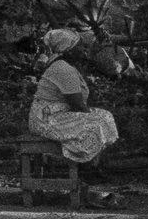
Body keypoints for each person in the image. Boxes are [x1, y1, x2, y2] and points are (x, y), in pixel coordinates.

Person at [29, 28, 121, 190]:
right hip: (47, 120)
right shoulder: (63, 69)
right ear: (69, 50)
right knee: (95, 123)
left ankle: (92, 164)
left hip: (56, 115)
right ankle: (86, 167)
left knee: (104, 117)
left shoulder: (65, 66)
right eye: (79, 46)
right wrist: (90, 116)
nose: (83, 50)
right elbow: (77, 104)